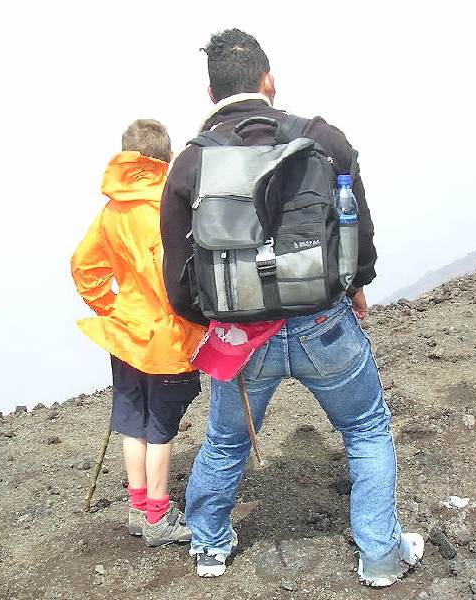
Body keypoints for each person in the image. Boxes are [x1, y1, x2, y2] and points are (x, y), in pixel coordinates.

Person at [160, 29, 423, 586]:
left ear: (211, 95)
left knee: (226, 439)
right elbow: (358, 227)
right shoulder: (325, 139)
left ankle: (209, 546)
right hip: (324, 323)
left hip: (243, 336)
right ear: (269, 81)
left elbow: (178, 281)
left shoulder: (188, 166)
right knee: (367, 428)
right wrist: (357, 283)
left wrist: (219, 324)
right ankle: (379, 555)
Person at [71, 119, 206, 547]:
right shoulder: (172, 205)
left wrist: (114, 309)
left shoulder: (111, 210)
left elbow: (84, 268)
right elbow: (186, 276)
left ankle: (138, 507)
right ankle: (158, 517)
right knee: (161, 429)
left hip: (127, 335)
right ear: (165, 158)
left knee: (134, 423)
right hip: (167, 337)